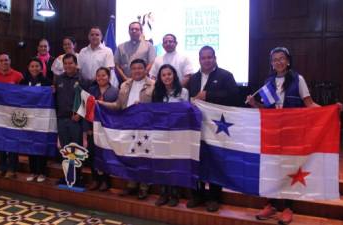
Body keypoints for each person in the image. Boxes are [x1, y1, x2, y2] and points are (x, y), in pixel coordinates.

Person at [246, 47, 320, 225]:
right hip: (272, 132)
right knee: (271, 169)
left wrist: (330, 110)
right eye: (275, 59)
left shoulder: (297, 79)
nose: (278, 62)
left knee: (289, 169)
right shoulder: (269, 82)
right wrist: (254, 103)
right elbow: (266, 110)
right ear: (271, 63)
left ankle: (288, 208)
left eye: (282, 59)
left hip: (291, 133)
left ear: (288, 61)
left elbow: (309, 104)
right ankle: (270, 205)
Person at [187, 46, 239, 212]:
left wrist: (208, 96)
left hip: (218, 127)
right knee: (197, 159)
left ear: (215, 58)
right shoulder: (194, 78)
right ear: (199, 59)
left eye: (210, 57)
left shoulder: (225, 75)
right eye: (203, 58)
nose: (207, 60)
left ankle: (214, 197)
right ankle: (198, 195)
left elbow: (234, 97)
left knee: (215, 161)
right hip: (197, 125)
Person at [98, 58, 154, 199]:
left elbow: (157, 107)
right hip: (127, 126)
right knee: (130, 155)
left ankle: (144, 186)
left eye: (140, 68)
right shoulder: (124, 85)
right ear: (130, 70)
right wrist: (102, 104)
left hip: (145, 127)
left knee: (143, 157)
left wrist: (142, 107)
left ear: (145, 69)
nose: (137, 71)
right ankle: (132, 184)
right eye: (134, 68)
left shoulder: (153, 85)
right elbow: (118, 105)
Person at [152, 64, 188, 207]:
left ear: (174, 75)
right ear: (160, 78)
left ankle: (174, 194)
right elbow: (153, 113)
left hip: (177, 134)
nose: (166, 77)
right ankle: (163, 193)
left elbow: (186, 112)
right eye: (163, 75)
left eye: (169, 74)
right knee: (162, 163)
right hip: (161, 133)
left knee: (174, 163)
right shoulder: (157, 93)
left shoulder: (183, 92)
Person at [55, 53, 89, 187]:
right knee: (65, 149)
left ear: (76, 64)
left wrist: (80, 114)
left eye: (71, 63)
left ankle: (78, 177)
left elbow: (87, 100)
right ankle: (67, 176)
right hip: (62, 119)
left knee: (76, 149)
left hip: (76, 120)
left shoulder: (83, 79)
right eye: (66, 63)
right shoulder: (58, 79)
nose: (68, 66)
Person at [83, 67, 118, 192]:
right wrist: (87, 128)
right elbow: (85, 110)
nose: (101, 78)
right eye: (98, 76)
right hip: (92, 129)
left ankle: (106, 181)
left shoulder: (115, 91)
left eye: (104, 75)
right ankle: (95, 179)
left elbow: (117, 111)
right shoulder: (91, 90)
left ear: (108, 77)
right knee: (92, 155)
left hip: (107, 130)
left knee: (105, 156)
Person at [0, 53, 23, 179]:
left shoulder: (18, 76)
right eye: (1, 60)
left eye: (6, 60)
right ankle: (1, 167)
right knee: (0, 141)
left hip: (14, 114)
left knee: (12, 142)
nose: (4, 62)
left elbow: (24, 94)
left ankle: (12, 168)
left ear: (10, 61)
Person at [20, 58, 51, 183]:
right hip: (28, 118)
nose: (34, 68)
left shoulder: (46, 81)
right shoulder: (23, 81)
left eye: (37, 66)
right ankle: (33, 171)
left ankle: (42, 172)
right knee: (30, 145)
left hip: (42, 118)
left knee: (41, 145)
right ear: (28, 68)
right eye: (32, 66)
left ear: (41, 67)